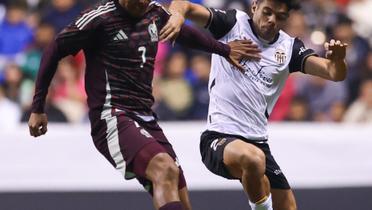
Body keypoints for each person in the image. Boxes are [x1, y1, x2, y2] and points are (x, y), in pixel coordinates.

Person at [27, 0, 258, 210]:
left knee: (179, 189)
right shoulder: (99, 19)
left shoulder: (154, 12)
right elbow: (54, 50)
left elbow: (184, 33)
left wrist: (225, 50)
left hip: (146, 117)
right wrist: (38, 108)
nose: (143, 3)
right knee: (164, 168)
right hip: (112, 116)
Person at [160, 0, 348, 209]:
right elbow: (182, 4)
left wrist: (337, 61)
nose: (271, 21)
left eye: (280, 17)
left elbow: (333, 73)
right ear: (255, 7)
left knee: (287, 203)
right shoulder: (232, 24)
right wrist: (177, 16)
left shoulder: (289, 48)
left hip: (259, 143)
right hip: (218, 138)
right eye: (267, 12)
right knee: (253, 159)